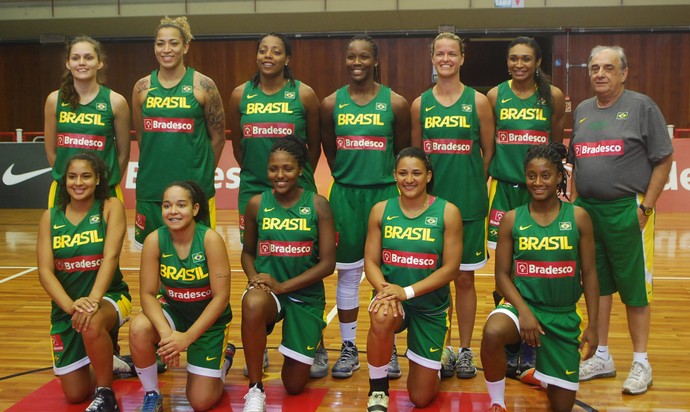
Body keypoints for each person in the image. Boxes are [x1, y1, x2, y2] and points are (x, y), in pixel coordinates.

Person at [570, 45, 674, 396]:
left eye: (608, 68)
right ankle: (602, 356)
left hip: (627, 210)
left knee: (634, 290)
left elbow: (664, 159)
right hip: (588, 211)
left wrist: (646, 208)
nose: (600, 74)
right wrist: (573, 205)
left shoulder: (642, 107)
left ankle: (641, 362)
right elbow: (577, 164)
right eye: (594, 68)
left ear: (624, 73)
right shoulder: (583, 110)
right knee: (596, 286)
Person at [481, 143, 599, 412]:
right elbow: (501, 276)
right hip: (522, 305)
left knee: (560, 408)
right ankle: (497, 402)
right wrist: (523, 311)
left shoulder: (578, 217)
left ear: (559, 176)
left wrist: (594, 325)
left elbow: (590, 274)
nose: (538, 182)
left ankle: (541, 374)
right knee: (492, 332)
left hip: (562, 315)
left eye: (545, 175)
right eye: (531, 175)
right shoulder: (512, 219)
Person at [320, 34, 411, 380]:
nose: (356, 63)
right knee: (347, 274)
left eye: (363, 58)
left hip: (385, 196)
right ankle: (348, 347)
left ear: (375, 61)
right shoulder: (331, 104)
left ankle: (385, 348)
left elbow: (402, 152)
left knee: (384, 277)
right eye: (351, 57)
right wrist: (348, 177)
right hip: (345, 195)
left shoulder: (396, 103)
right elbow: (331, 152)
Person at [410, 32, 494, 379]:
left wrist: (476, 184)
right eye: (440, 54)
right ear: (432, 58)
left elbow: (488, 151)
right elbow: (416, 158)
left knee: (463, 279)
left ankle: (464, 350)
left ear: (462, 58)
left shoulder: (478, 102)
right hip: (432, 208)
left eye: (452, 54)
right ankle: (440, 348)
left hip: (469, 204)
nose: (446, 59)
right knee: (435, 279)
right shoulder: (420, 105)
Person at [486, 36, 566, 378]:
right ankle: (510, 339)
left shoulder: (553, 97)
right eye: (514, 59)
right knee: (503, 267)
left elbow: (555, 146)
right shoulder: (494, 96)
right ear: (508, 63)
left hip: (539, 192)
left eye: (526, 59)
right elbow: (489, 143)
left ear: (537, 63)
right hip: (503, 190)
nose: (519, 65)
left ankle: (534, 343)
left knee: (533, 265)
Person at [240, 135, 336, 412]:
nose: (279, 175)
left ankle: (309, 343)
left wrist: (283, 286)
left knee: (294, 386)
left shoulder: (318, 205)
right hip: (270, 293)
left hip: (304, 295)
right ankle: (255, 389)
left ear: (301, 169)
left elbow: (327, 264)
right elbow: (247, 252)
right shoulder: (257, 204)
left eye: (287, 168)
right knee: (253, 302)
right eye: (273, 169)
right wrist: (254, 278)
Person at [364, 147, 462, 412]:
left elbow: (451, 269)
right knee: (382, 313)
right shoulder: (381, 210)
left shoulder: (448, 212)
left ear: (428, 176)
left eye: (416, 173)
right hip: (393, 299)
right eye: (403, 173)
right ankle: (378, 389)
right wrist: (385, 291)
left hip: (430, 307)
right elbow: (371, 262)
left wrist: (404, 291)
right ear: (394, 176)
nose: (409, 179)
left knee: (420, 398)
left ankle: (436, 361)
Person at [37, 152, 132, 412]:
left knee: (92, 322)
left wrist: (92, 302)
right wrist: (70, 306)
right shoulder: (50, 217)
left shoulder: (110, 207)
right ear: (63, 181)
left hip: (110, 297)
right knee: (76, 394)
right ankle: (107, 360)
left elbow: (111, 257)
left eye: (86, 176)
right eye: (72, 177)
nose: (79, 182)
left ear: (98, 179)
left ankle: (106, 394)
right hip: (67, 309)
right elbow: (45, 271)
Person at [128, 180, 233, 412]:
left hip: (208, 321)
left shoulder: (210, 239)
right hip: (174, 311)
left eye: (181, 205)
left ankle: (223, 360)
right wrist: (167, 335)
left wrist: (186, 338)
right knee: (138, 328)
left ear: (195, 209)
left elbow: (221, 298)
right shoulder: (155, 240)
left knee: (200, 401)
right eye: (167, 205)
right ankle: (152, 393)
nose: (173, 211)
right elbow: (146, 294)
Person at [132, 16, 226, 248]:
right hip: (152, 189)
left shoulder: (204, 85)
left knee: (198, 254)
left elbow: (218, 138)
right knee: (152, 255)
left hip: (194, 189)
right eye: (160, 43)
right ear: (154, 47)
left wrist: (201, 173)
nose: (166, 49)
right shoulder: (141, 88)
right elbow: (142, 137)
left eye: (173, 43)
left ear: (185, 46)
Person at [229, 32, 321, 244]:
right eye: (263, 51)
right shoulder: (240, 95)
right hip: (253, 188)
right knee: (254, 250)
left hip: (298, 188)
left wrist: (296, 176)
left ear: (287, 58)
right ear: (257, 56)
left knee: (297, 250)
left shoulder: (304, 94)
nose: (268, 56)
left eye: (276, 52)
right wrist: (256, 172)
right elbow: (237, 147)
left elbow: (314, 148)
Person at [44, 36, 130, 207]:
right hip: (65, 191)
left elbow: (123, 154)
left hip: (104, 192)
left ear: (100, 63)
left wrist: (104, 184)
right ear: (68, 63)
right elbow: (51, 152)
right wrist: (71, 182)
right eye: (75, 58)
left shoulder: (116, 102)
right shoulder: (54, 100)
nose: (81, 62)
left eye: (88, 57)